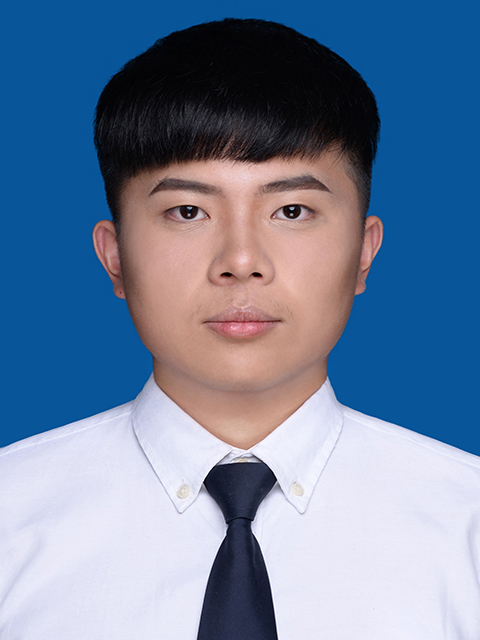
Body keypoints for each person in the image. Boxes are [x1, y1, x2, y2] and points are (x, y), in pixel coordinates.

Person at [1, 18, 479, 640]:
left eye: (291, 210)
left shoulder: (466, 523)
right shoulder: (11, 517)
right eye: (188, 210)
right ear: (114, 255)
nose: (241, 259)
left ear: (364, 252)